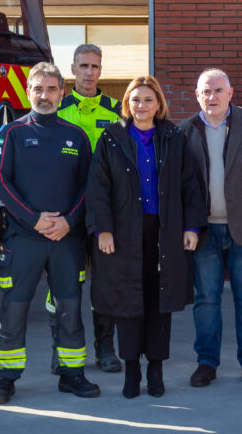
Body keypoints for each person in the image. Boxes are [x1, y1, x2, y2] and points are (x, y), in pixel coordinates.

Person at [86, 75, 205, 399]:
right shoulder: (111, 138)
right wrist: (103, 229)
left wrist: (192, 227)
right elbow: (98, 189)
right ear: (127, 103)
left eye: (148, 100)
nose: (141, 105)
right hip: (123, 233)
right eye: (135, 99)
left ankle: (155, 369)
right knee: (128, 301)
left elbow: (191, 186)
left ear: (158, 104)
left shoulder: (174, 137)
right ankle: (132, 371)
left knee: (158, 302)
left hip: (164, 232)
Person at [0, 63, 100, 404]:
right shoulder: (12, 133)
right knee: (14, 309)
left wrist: (68, 221)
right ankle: (4, 379)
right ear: (28, 91)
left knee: (69, 308)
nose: (44, 95)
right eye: (38, 89)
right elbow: (0, 182)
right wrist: (33, 220)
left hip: (67, 239)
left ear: (62, 93)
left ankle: (71, 375)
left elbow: (88, 185)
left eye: (51, 89)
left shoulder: (75, 135)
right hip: (24, 238)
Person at [181, 69, 242, 389]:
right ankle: (206, 363)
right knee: (206, 299)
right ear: (197, 95)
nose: (212, 97)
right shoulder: (184, 131)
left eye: (218, 91)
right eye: (205, 91)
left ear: (230, 93)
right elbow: (181, 186)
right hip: (204, 231)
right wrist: (186, 226)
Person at [55, 43, 123, 373]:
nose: (89, 72)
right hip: (65, 212)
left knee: (104, 284)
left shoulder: (115, 112)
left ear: (101, 70)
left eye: (94, 66)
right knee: (63, 285)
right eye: (83, 66)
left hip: (103, 214)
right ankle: (61, 349)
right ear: (72, 69)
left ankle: (105, 348)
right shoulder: (58, 108)